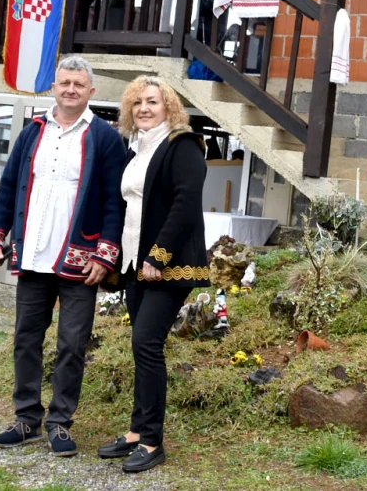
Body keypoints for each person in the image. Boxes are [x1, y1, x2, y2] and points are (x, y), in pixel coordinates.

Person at [0, 55, 126, 457]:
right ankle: (26, 418)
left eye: (79, 85)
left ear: (91, 91)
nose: (70, 90)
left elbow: (115, 202)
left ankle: (60, 423)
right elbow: (9, 186)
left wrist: (106, 253)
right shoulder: (33, 132)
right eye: (65, 83)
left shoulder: (106, 137)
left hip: (80, 259)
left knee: (72, 344)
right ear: (54, 87)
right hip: (32, 254)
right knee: (26, 339)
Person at [97, 75, 209, 473]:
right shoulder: (137, 150)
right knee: (139, 346)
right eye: (137, 102)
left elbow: (185, 204)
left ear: (169, 108)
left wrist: (157, 257)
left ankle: (151, 441)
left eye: (153, 102)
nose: (143, 108)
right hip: (133, 265)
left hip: (165, 267)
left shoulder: (182, 145)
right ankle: (135, 431)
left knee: (147, 343)